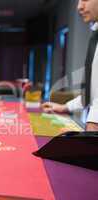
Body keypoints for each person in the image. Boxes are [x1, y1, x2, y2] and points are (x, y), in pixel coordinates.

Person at [42, 0, 98, 131]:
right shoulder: (95, 33)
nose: (79, 6)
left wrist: (94, 121)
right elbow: (93, 92)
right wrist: (65, 107)